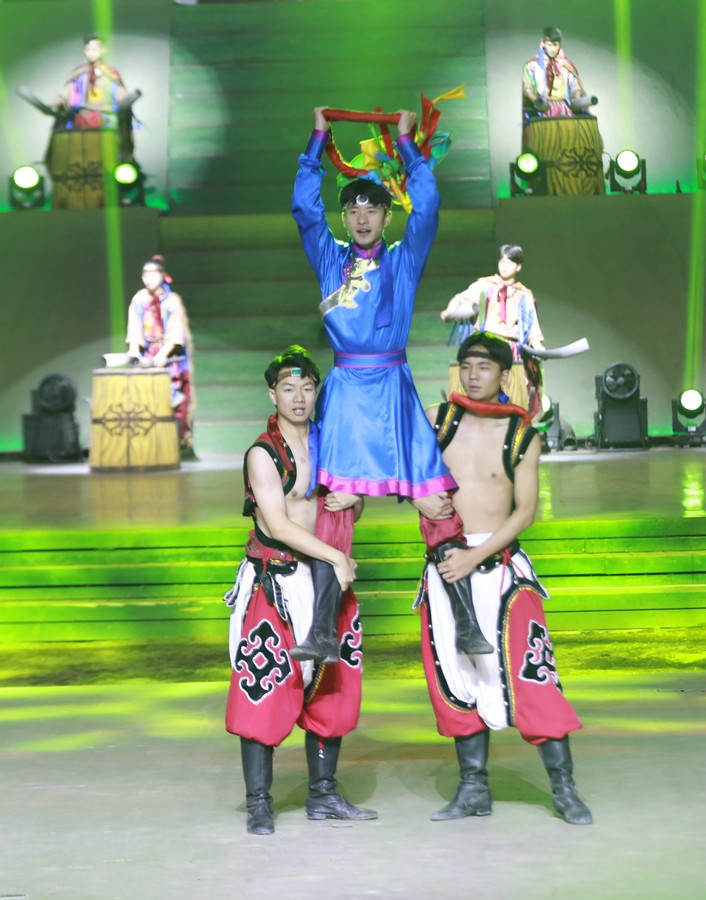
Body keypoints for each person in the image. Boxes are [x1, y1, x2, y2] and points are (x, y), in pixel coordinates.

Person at [291, 106, 493, 664]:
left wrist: (407, 146)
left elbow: (427, 207)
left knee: (437, 503)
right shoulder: (329, 259)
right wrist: (318, 139)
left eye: (371, 208)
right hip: (348, 394)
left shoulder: (404, 260)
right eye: (352, 208)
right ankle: (322, 630)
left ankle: (468, 622)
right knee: (336, 506)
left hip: (395, 393)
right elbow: (303, 209)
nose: (361, 217)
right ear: (344, 217)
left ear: (386, 214)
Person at [417, 331, 592, 825]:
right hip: (444, 568)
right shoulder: (437, 419)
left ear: (503, 375)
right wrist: (417, 499)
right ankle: (473, 788)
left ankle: (564, 789)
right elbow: (402, 471)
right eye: (467, 366)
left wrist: (475, 557)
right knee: (456, 680)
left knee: (534, 678)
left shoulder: (522, 435)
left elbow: (525, 512)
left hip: (501, 573)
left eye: (485, 367)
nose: (474, 376)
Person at [223, 345, 376, 835]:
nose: (299, 397)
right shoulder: (263, 454)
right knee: (264, 685)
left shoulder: (331, 442)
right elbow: (278, 524)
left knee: (333, 686)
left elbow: (348, 507)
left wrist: (354, 499)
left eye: (307, 388)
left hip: (327, 580)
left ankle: (323, 793)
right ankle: (258, 803)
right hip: (278, 581)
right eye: (288, 388)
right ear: (273, 394)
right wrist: (335, 556)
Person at [440, 244, 544, 418]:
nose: (504, 266)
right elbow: (460, 298)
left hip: (511, 350)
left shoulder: (524, 294)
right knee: (479, 386)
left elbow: (532, 326)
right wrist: (449, 312)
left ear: (518, 266)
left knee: (512, 392)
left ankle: (511, 423)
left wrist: (538, 345)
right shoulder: (484, 285)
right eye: (502, 261)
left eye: (509, 262)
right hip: (485, 345)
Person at [126, 255, 195, 456]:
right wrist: (134, 350)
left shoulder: (171, 301)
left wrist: (164, 353)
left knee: (175, 400)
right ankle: (147, 446)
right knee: (143, 398)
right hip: (148, 353)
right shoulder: (139, 299)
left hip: (169, 355)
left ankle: (176, 445)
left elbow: (176, 333)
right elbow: (135, 329)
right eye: (144, 274)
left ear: (162, 275)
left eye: (152, 273)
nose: (148, 278)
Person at [49, 32, 140, 162]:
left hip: (105, 122)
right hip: (81, 122)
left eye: (95, 49)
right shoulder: (80, 74)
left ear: (103, 50)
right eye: (88, 49)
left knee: (105, 156)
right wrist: (53, 103)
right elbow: (65, 93)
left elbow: (121, 96)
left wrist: (127, 102)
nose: (91, 53)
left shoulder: (110, 74)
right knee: (79, 155)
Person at [522, 26, 596, 126]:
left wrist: (577, 95)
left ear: (560, 44)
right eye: (549, 45)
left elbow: (575, 88)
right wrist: (535, 100)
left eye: (555, 45)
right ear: (542, 43)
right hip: (542, 112)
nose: (552, 49)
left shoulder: (566, 66)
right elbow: (527, 88)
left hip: (565, 111)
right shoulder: (532, 67)